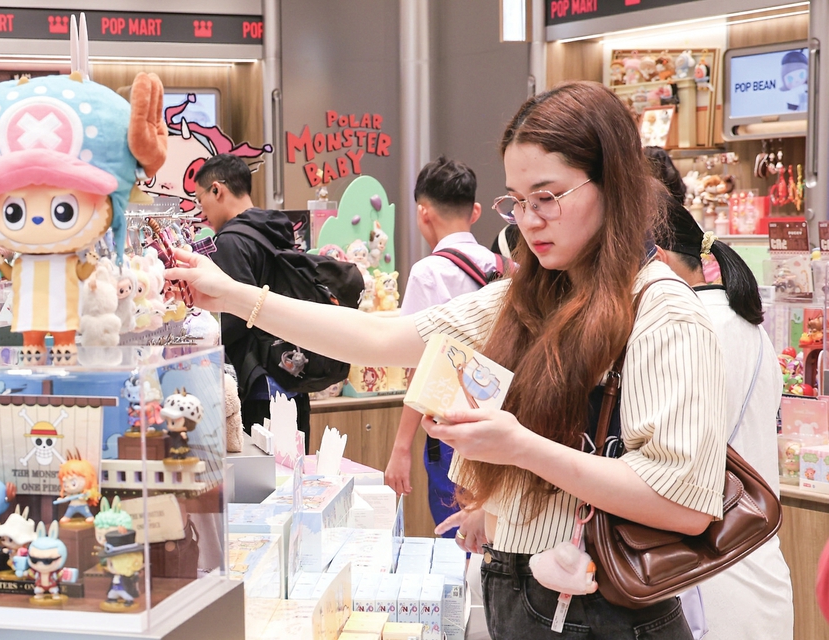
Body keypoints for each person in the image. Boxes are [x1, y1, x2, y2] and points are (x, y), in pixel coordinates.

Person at [167, 81, 727, 639]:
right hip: (526, 595)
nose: (529, 220)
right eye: (517, 201)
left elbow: (682, 504)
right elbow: (381, 336)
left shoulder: (663, 312)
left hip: (604, 612)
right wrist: (234, 296)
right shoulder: (529, 297)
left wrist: (520, 448)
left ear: (611, 186)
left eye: (547, 197)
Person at [654, 193, 793, 640]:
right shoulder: (747, 326)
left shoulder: (685, 332)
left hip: (707, 579)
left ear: (656, 261)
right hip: (760, 567)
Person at [385, 156, 500, 536]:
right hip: (499, 423)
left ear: (423, 212)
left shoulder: (428, 273)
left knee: (456, 536)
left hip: (449, 430)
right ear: (475, 211)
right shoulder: (503, 267)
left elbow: (420, 366)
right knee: (493, 533)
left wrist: (401, 447)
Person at [194, 153, 311, 435]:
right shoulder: (277, 231)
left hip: (259, 386)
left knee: (260, 463)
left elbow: (235, 315)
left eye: (200, 200)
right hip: (293, 377)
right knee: (293, 462)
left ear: (217, 190)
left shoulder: (230, 242)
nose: (202, 212)